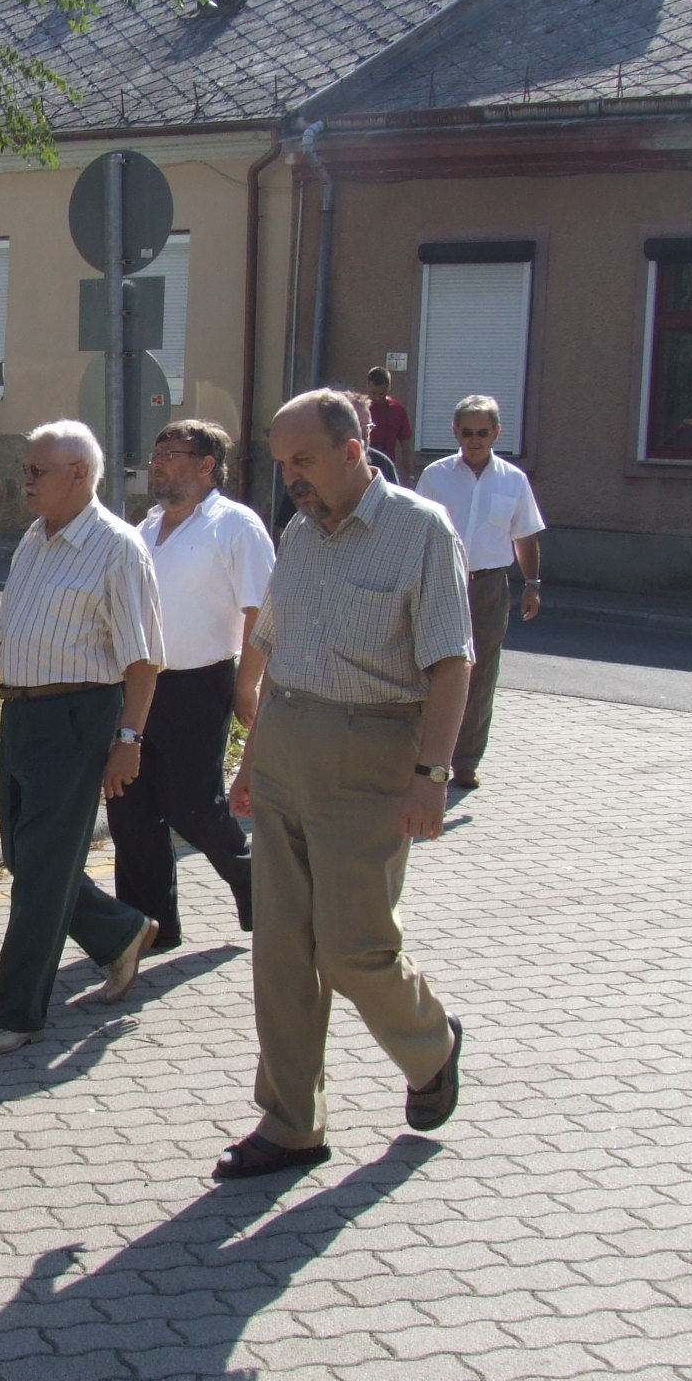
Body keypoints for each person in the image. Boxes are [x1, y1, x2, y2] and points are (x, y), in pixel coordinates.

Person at [219, 389, 473, 1180]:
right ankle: (291, 1122)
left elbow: (451, 662)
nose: (290, 477)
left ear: (353, 450)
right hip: (288, 745)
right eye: (281, 463)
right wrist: (253, 761)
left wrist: (432, 775)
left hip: (372, 756)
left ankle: (431, 1046)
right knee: (282, 953)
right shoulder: (299, 533)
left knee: (354, 949)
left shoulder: (420, 530)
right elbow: (281, 652)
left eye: (303, 460)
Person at [0, 421, 166, 1054]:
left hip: (78, 718)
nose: (26, 481)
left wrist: (129, 740)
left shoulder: (118, 549)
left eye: (38, 471)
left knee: (39, 873)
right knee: (27, 855)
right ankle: (120, 932)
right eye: (26, 469)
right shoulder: (34, 539)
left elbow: (143, 660)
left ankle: (17, 1015)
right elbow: (5, 625)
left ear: (80, 475)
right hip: (22, 716)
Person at [110, 420, 272, 954]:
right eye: (155, 454)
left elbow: (262, 613)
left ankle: (258, 886)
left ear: (206, 466)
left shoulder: (235, 526)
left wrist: (247, 684)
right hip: (138, 685)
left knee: (192, 806)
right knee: (130, 807)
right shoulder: (146, 526)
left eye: (170, 454)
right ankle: (149, 926)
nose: (156, 464)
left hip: (200, 685)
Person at [413, 395, 545, 790]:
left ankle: (466, 762)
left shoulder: (513, 480)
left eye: (482, 433)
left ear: (496, 433)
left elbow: (525, 535)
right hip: (441, 581)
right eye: (467, 432)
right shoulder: (436, 476)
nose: (475, 440)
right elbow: (415, 531)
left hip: (488, 585)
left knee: (481, 673)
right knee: (430, 667)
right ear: (456, 432)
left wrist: (532, 584)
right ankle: (422, 756)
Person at [364, 367, 413, 477]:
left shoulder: (397, 410)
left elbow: (406, 447)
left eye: (381, 393)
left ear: (388, 386)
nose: (377, 398)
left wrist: (410, 476)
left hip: (386, 469)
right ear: (367, 386)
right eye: (373, 393)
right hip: (363, 469)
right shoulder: (360, 409)